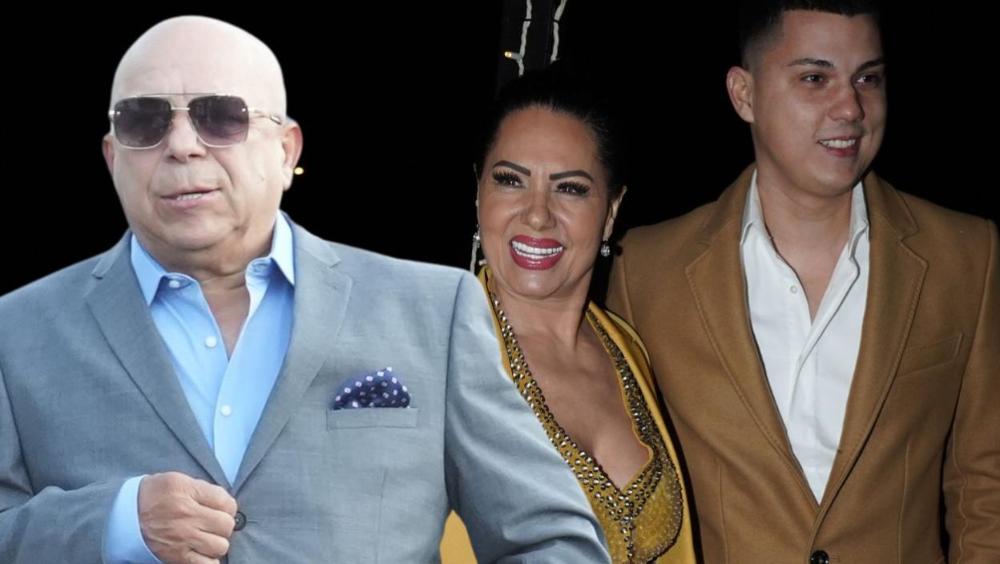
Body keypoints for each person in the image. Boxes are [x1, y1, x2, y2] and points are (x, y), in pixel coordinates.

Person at [0, 16, 611, 564]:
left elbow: (554, 540)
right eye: (144, 121)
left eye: (221, 116)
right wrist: (114, 526)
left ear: (286, 148)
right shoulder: (16, 333)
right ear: (113, 157)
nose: (182, 145)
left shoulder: (431, 312)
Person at [608, 2, 999, 562]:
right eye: (816, 79)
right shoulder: (647, 269)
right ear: (744, 94)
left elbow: (985, 484)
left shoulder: (966, 255)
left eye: (868, 78)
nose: (851, 107)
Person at [443, 67, 696, 564]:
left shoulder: (627, 349)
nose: (537, 214)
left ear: (611, 211)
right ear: (478, 193)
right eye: (510, 180)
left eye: (571, 188)